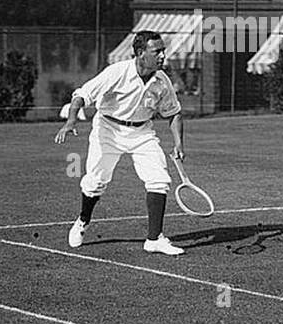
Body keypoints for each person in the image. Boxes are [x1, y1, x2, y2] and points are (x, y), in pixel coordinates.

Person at [54, 30, 186, 255]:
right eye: (157, 51)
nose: (163, 56)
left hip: (142, 132)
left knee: (159, 179)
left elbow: (174, 113)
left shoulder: (162, 81)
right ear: (140, 53)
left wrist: (179, 143)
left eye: (163, 51)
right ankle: (83, 220)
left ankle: (154, 239)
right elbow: (82, 95)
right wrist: (71, 122)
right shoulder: (117, 72)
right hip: (108, 129)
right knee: (95, 182)